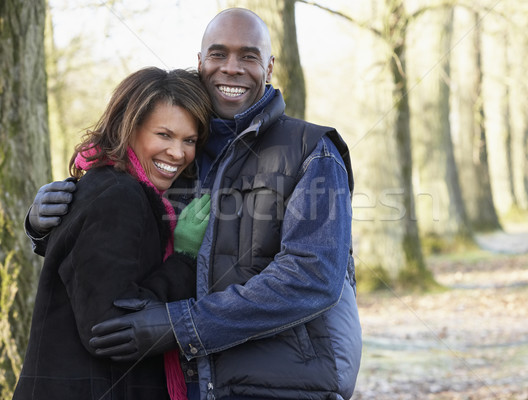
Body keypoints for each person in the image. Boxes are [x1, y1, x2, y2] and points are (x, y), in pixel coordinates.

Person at [26, 8, 362, 400]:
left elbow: (312, 277)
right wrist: (44, 224)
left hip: (281, 387)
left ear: (269, 67)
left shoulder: (311, 152)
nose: (231, 68)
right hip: (179, 386)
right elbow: (115, 251)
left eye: (249, 56)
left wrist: (180, 326)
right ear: (199, 63)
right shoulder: (178, 158)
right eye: (218, 54)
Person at [14, 67, 213, 400]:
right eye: (164, 135)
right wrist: (185, 260)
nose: (178, 153)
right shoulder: (118, 195)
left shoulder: (139, 192)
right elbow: (108, 326)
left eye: (189, 140)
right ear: (129, 129)